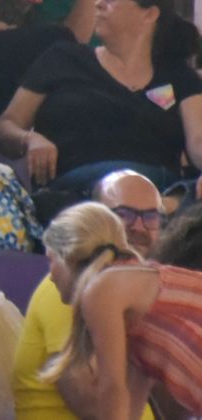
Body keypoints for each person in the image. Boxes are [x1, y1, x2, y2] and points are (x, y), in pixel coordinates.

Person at [0, 0, 202, 199]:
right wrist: (29, 138)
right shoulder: (65, 58)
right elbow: (6, 126)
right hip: (77, 190)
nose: (99, 4)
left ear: (150, 14)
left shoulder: (179, 76)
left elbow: (198, 141)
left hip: (158, 188)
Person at [13, 169, 163, 420]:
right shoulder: (69, 285)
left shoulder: (135, 288)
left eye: (150, 216)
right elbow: (90, 402)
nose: (138, 226)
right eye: (124, 214)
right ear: (97, 216)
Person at [38, 202, 202, 419]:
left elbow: (112, 389)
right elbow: (127, 407)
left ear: (69, 256)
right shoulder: (136, 309)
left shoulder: (102, 290)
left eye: (50, 260)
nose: (50, 276)